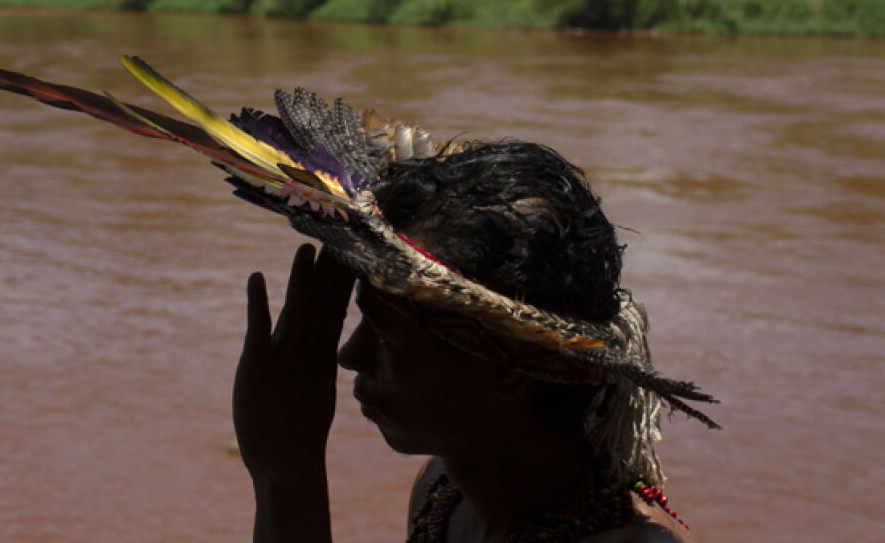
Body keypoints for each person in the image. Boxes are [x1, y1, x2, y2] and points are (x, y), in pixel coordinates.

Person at [232, 140, 712, 542]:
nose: (349, 356)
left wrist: (287, 474)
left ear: (504, 366)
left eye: (383, 334)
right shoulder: (445, 494)